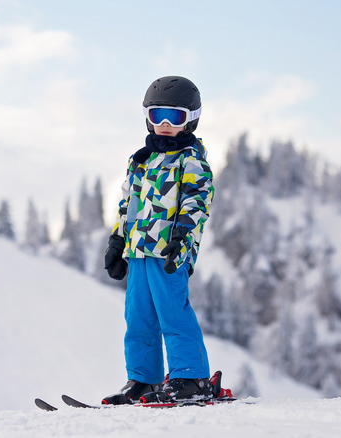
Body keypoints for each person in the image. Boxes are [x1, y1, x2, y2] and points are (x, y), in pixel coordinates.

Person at [103, 76, 217, 404]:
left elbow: (197, 202)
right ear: (147, 118)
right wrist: (116, 242)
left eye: (175, 116)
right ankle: (143, 379)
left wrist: (182, 238)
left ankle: (190, 377)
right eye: (158, 116)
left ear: (191, 119)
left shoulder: (191, 160)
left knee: (172, 312)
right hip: (138, 250)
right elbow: (128, 205)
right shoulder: (140, 161)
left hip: (170, 251)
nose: (165, 124)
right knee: (138, 315)